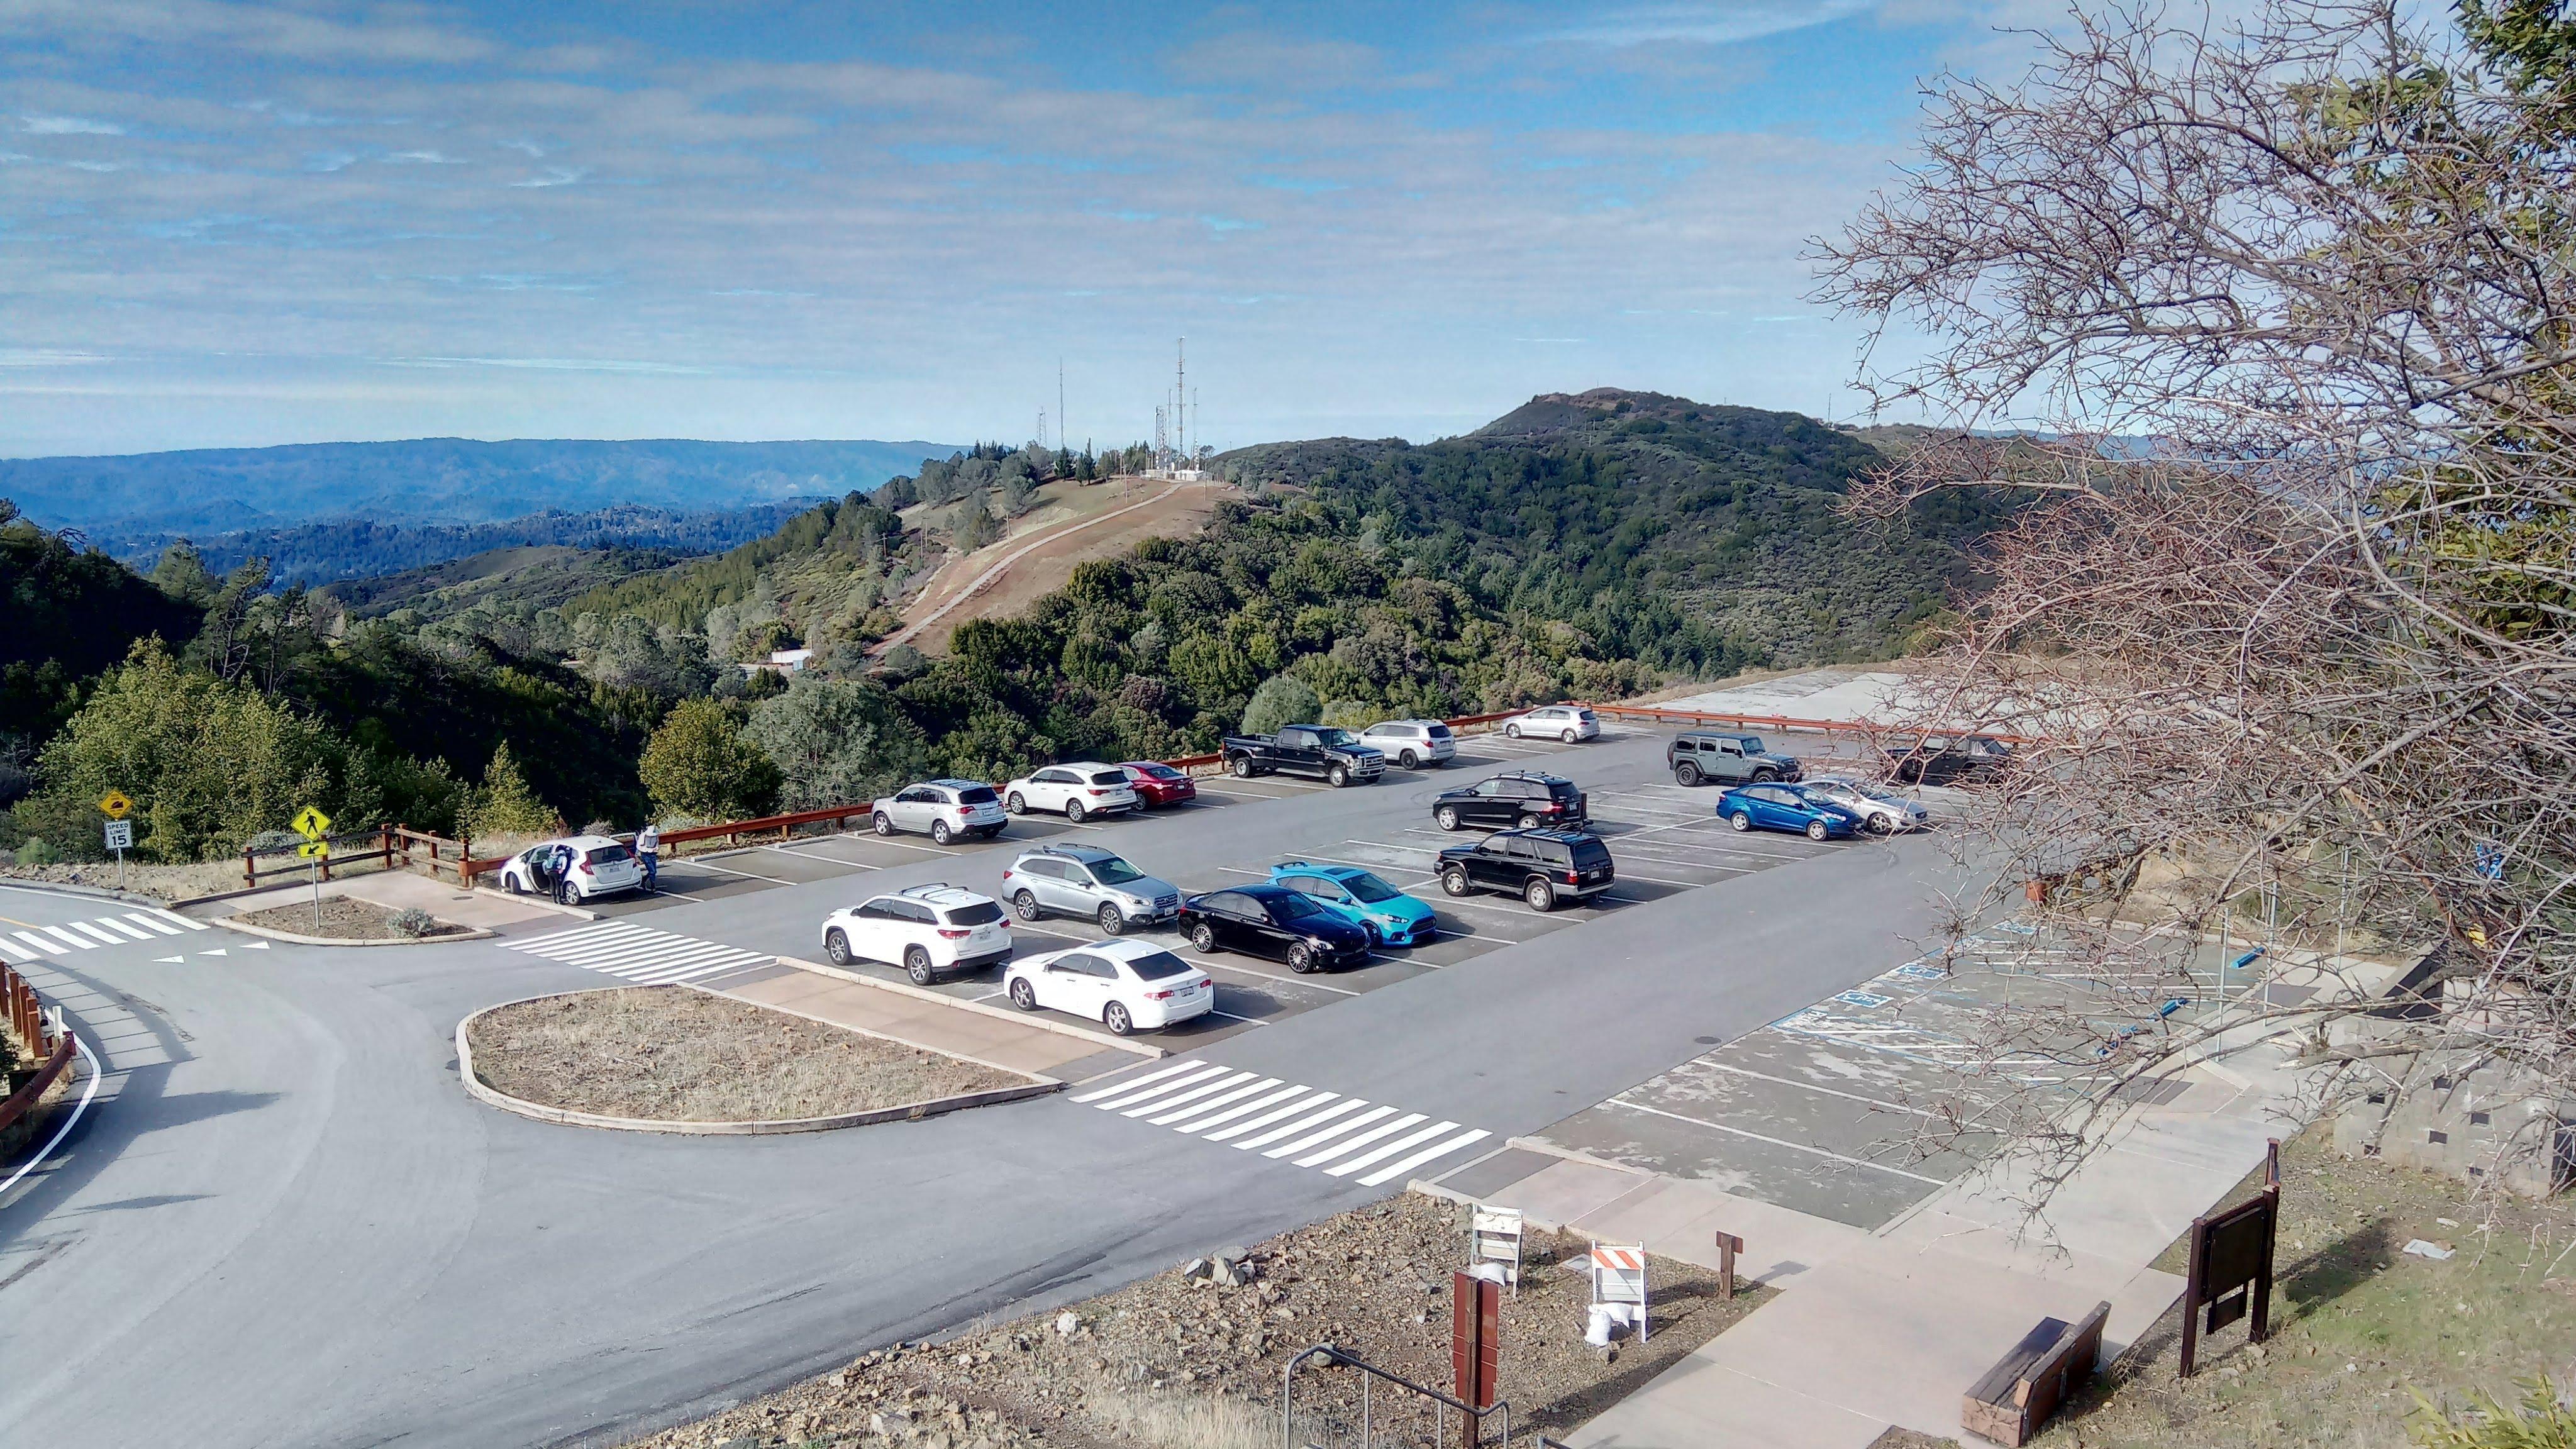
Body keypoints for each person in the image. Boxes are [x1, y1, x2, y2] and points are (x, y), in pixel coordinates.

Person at [635, 821, 660, 894]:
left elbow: (657, 844)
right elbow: (639, 846)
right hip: (645, 855)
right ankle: (653, 886)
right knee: (652, 871)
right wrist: (646, 850)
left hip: (653, 854)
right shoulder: (643, 836)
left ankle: (644, 880)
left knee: (654, 871)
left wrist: (656, 848)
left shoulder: (656, 836)